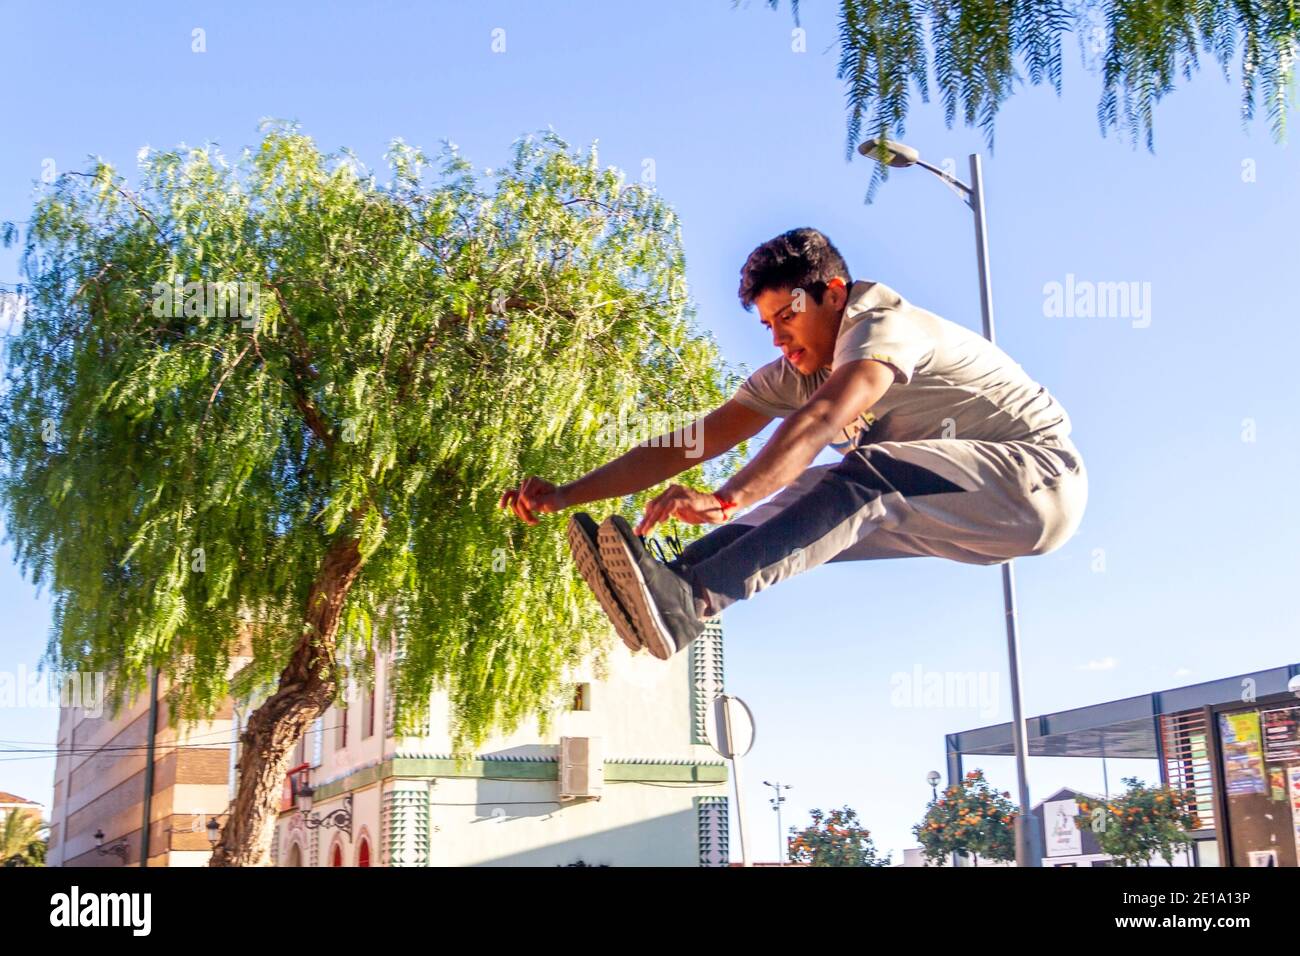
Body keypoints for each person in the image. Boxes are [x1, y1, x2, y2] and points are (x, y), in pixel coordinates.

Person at [499, 227, 1087, 662]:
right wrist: (564, 495)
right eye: (767, 326)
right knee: (812, 499)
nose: (780, 338)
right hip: (965, 507)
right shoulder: (798, 370)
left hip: (1036, 481)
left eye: (788, 316)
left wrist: (726, 498)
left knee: (859, 476)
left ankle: (690, 595)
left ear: (833, 294)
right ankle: (676, 591)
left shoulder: (881, 325)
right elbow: (689, 443)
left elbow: (824, 417)